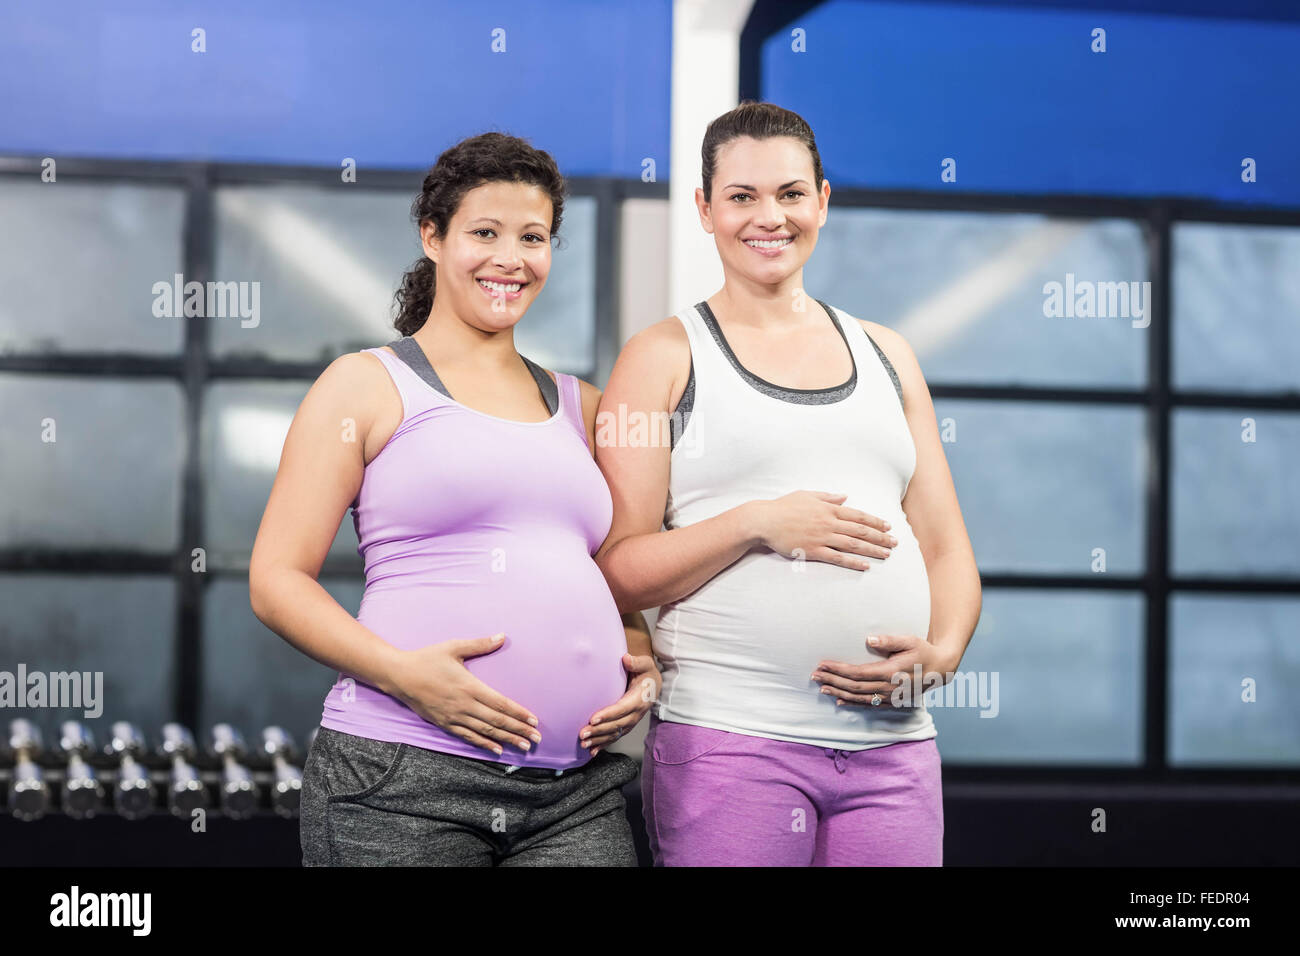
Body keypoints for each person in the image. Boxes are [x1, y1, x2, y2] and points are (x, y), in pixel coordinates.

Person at [249, 132, 661, 866]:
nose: (511, 258)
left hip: (575, 792)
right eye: (484, 232)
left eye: (533, 237)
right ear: (431, 236)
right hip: (403, 777)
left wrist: (640, 657)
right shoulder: (365, 385)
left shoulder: (585, 406)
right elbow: (277, 581)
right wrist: (403, 674)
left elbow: (612, 572)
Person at [593, 102, 981, 866]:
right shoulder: (662, 357)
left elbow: (946, 549)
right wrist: (755, 523)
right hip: (732, 744)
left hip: (894, 754)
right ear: (704, 210)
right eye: (741, 197)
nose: (768, 216)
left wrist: (943, 657)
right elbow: (615, 569)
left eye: (790, 194)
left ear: (823, 202)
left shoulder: (889, 354)